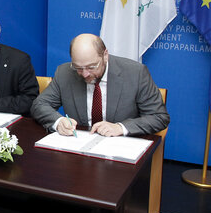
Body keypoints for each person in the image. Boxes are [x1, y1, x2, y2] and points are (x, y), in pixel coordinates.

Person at [31, 33, 168, 136]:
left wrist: (120, 127)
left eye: (91, 67)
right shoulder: (65, 72)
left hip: (119, 149)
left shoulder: (136, 73)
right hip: (79, 148)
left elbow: (159, 117)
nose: (85, 74)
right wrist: (58, 121)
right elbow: (39, 105)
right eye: (78, 67)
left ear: (105, 55)